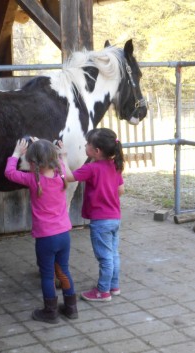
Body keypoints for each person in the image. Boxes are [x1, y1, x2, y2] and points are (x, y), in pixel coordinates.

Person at [5, 138, 78, 324]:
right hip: (64, 236)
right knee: (64, 271)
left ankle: (50, 311)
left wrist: (16, 153)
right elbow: (60, 160)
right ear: (54, 158)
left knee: (47, 275)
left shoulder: (32, 180)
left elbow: (9, 173)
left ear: (31, 163)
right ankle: (71, 308)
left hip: (46, 238)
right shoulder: (60, 174)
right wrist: (60, 152)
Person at [60, 127, 125, 302]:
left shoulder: (91, 168)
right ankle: (114, 286)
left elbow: (68, 176)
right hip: (115, 218)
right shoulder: (115, 166)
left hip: (100, 221)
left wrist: (63, 157)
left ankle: (102, 292)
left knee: (104, 257)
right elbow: (121, 190)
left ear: (96, 151)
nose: (85, 145)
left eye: (87, 144)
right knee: (113, 254)